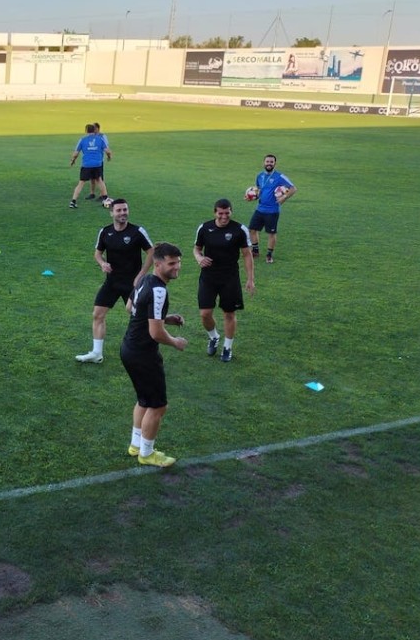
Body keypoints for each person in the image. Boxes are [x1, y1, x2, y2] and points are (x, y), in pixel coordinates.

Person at [120, 242, 187, 468]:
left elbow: (131, 307)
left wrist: (165, 318)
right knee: (158, 406)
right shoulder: (159, 289)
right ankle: (147, 454)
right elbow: (155, 333)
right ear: (158, 264)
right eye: (171, 263)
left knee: (144, 400)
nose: (177, 267)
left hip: (129, 348)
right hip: (143, 354)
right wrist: (175, 342)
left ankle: (136, 445)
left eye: (178, 262)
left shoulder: (144, 279)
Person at [75, 198, 153, 364]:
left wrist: (141, 275)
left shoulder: (137, 232)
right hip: (112, 282)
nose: (123, 213)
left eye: (125, 209)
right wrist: (103, 263)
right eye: (119, 210)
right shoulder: (105, 232)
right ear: (112, 213)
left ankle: (146, 352)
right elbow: (97, 253)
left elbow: (152, 252)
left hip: (132, 284)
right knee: (98, 314)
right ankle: (97, 353)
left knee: (139, 317)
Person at [194, 198, 256, 363]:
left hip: (229, 277)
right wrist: (199, 258)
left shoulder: (239, 229)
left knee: (229, 313)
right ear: (215, 212)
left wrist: (250, 279)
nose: (224, 217)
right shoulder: (204, 228)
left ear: (231, 212)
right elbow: (197, 248)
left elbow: (247, 255)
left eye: (227, 213)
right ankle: (213, 337)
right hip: (208, 276)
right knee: (205, 314)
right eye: (220, 213)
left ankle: (227, 347)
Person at [249, 154, 296, 264]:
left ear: (275, 163)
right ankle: (255, 251)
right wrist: (252, 196)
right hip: (260, 209)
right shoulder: (259, 176)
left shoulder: (280, 176)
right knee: (252, 230)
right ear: (263, 163)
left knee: (271, 233)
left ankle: (269, 255)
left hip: (272, 211)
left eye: (271, 162)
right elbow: (259, 190)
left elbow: (293, 188)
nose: (269, 163)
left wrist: (284, 197)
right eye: (267, 161)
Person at [68, 123, 111, 208]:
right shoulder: (100, 139)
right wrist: (109, 157)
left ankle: (73, 201)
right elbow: (107, 151)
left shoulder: (83, 140)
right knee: (99, 180)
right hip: (97, 164)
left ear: (86, 131)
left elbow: (76, 153)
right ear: (94, 130)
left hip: (86, 164)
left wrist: (73, 160)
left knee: (81, 183)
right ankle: (106, 199)